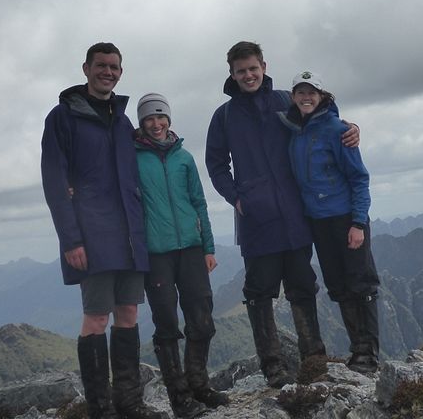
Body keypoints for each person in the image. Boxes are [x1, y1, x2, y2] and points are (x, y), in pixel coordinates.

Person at [205, 41, 359, 388]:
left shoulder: (284, 102)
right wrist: (236, 198)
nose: (248, 75)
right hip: (256, 220)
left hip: (295, 213)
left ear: (264, 67)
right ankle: (273, 368)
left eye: (253, 68)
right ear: (232, 74)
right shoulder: (224, 116)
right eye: (241, 70)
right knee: (260, 292)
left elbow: (321, 117)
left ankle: (314, 362)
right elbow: (215, 164)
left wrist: (349, 127)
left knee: (302, 286)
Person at [41, 43, 167, 419]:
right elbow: (54, 182)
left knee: (127, 312)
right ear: (86, 69)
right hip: (92, 235)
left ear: (120, 73)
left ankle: (129, 403)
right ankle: (101, 409)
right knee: (96, 317)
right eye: (101, 66)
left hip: (129, 234)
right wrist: (71, 239)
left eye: (114, 67)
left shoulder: (123, 120)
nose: (107, 72)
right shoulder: (62, 118)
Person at [134, 93, 229, 418]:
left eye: (161, 118)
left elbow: (199, 203)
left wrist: (209, 247)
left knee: (202, 319)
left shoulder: (185, 158)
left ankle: (199, 386)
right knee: (166, 324)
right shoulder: (132, 159)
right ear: (142, 123)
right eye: (150, 118)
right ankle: (180, 399)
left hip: (191, 248)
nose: (157, 124)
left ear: (169, 121)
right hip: (156, 253)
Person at [279, 70, 380, 374]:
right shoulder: (294, 130)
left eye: (312, 92)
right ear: (293, 97)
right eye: (300, 92)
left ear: (322, 96)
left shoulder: (338, 130)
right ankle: (357, 352)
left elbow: (359, 178)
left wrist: (359, 223)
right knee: (338, 286)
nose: (306, 97)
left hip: (346, 218)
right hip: (318, 222)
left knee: (362, 285)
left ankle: (369, 355)